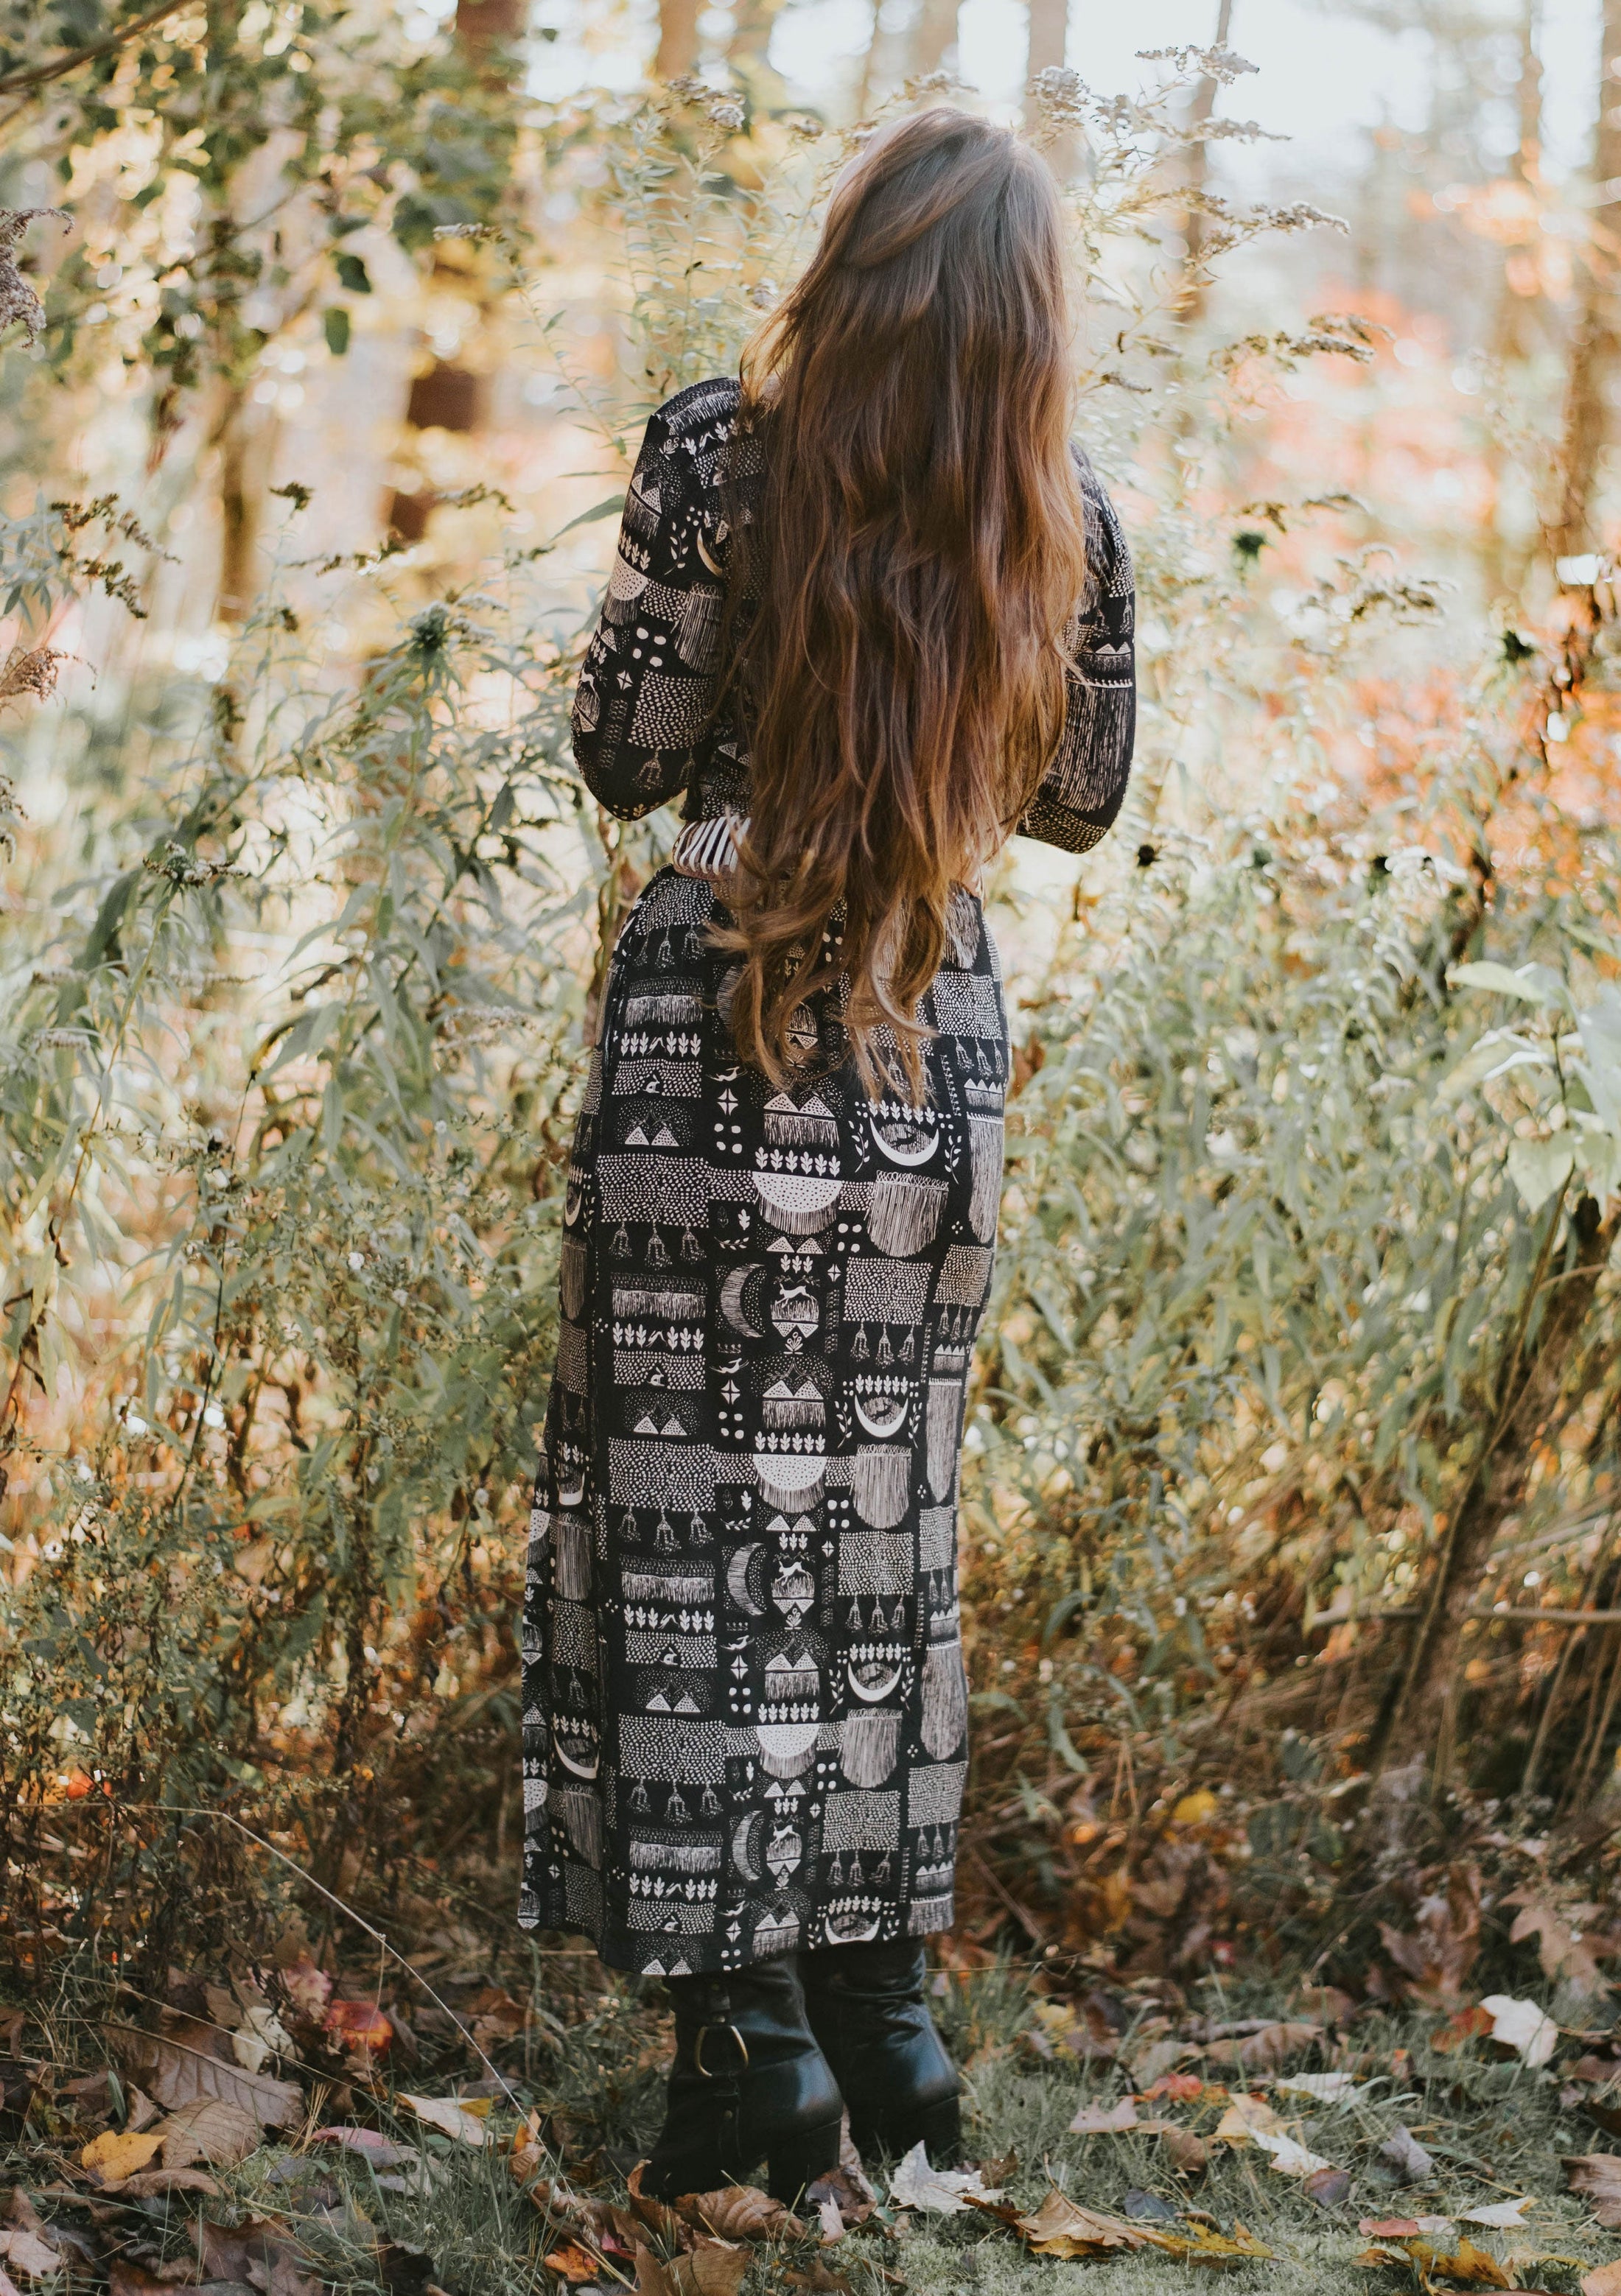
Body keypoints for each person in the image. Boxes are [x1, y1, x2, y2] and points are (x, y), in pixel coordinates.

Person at [520, 105, 1135, 2200]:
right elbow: (1081, 799)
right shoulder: (1068, 514)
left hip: (718, 1010)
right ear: (1030, 322)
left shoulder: (724, 455)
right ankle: (894, 2051)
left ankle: (757, 2061)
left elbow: (621, 751)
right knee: (876, 1541)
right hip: (920, 1031)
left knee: (688, 1553)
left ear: (847, 268)